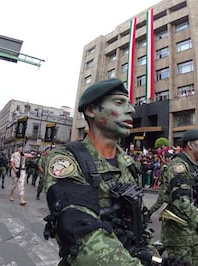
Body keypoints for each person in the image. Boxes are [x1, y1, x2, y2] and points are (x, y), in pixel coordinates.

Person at [42, 78, 152, 265]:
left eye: (130, 104)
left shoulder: (128, 164)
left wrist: (150, 253)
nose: (131, 110)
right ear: (91, 110)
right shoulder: (66, 159)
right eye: (119, 103)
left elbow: (138, 222)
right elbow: (80, 231)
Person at [160, 129, 198, 266]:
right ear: (190, 145)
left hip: (192, 231)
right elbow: (180, 201)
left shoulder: (196, 167)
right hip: (179, 235)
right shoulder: (179, 166)